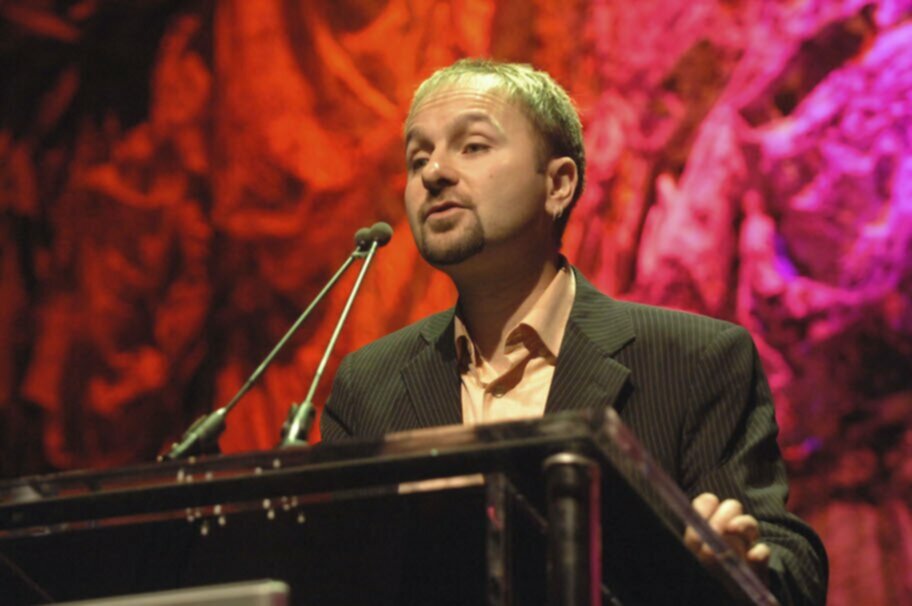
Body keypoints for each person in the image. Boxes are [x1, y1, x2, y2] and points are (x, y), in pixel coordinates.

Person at [320, 58, 827, 605]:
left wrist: (734, 568)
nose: (434, 172)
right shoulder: (369, 385)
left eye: (472, 147)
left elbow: (789, 566)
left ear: (558, 183)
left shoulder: (694, 360)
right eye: (418, 157)